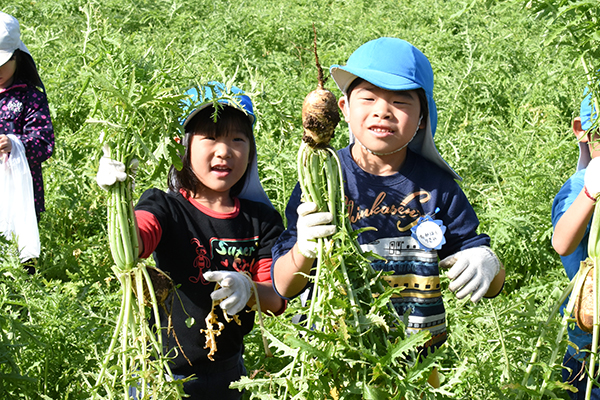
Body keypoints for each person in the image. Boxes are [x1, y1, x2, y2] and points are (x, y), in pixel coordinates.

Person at [271, 37, 505, 387]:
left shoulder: (437, 186)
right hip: (335, 361)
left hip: (417, 367)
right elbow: (283, 285)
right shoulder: (320, 179)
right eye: (368, 98)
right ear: (344, 108)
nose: (383, 110)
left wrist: (487, 263)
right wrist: (303, 251)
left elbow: (489, 279)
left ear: (423, 117)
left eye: (400, 101)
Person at [96, 82, 286, 399]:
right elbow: (136, 242)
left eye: (238, 139)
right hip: (163, 375)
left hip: (229, 374)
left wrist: (249, 288)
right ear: (181, 145)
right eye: (210, 137)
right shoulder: (166, 207)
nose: (224, 150)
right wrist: (119, 200)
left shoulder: (261, 220)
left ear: (251, 150)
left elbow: (276, 297)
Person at [552, 85, 600, 399]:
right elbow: (563, 243)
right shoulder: (579, 185)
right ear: (582, 131)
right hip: (589, 342)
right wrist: (590, 194)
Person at [0, 11, 54, 273]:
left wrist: (14, 143)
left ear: (17, 57)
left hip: (22, 190)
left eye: (3, 63)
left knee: (20, 254)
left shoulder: (30, 98)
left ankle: (24, 300)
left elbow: (44, 141)